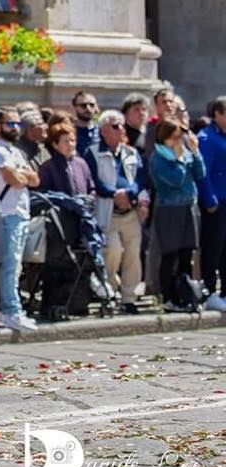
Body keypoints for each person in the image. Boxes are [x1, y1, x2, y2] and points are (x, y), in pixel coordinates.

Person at [84, 110, 147, 314]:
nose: (121, 129)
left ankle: (129, 298)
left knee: (132, 255)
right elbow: (94, 181)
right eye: (115, 126)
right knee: (112, 250)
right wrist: (114, 193)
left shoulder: (131, 153)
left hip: (129, 211)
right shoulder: (92, 152)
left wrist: (130, 193)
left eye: (121, 125)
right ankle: (111, 290)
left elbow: (140, 179)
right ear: (103, 130)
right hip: (107, 211)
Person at [0, 108, 40, 331]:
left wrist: (21, 174)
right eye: (11, 124)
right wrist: (20, 174)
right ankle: (10, 310)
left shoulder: (16, 152)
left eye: (18, 124)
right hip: (6, 213)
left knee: (16, 265)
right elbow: (13, 178)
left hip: (20, 211)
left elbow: (34, 179)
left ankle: (12, 307)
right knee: (9, 264)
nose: (16, 128)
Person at [149, 117, 206, 311]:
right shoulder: (159, 158)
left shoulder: (185, 153)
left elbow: (201, 173)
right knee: (170, 256)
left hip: (188, 207)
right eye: (174, 137)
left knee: (186, 254)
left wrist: (195, 152)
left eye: (180, 137)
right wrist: (180, 158)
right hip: (169, 210)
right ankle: (168, 297)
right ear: (164, 137)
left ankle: (186, 294)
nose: (178, 141)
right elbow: (176, 180)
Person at [198, 97, 226, 311]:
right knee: (213, 247)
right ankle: (209, 290)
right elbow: (203, 172)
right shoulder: (207, 138)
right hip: (216, 202)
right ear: (217, 114)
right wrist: (209, 199)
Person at [38, 122, 95, 197]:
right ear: (55, 145)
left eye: (72, 140)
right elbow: (44, 193)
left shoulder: (81, 163)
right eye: (66, 141)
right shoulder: (47, 167)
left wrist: (90, 199)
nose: (70, 144)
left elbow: (91, 188)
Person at [72, 91, 100, 156]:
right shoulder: (68, 131)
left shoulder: (102, 131)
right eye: (83, 105)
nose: (88, 108)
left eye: (92, 105)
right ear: (74, 107)